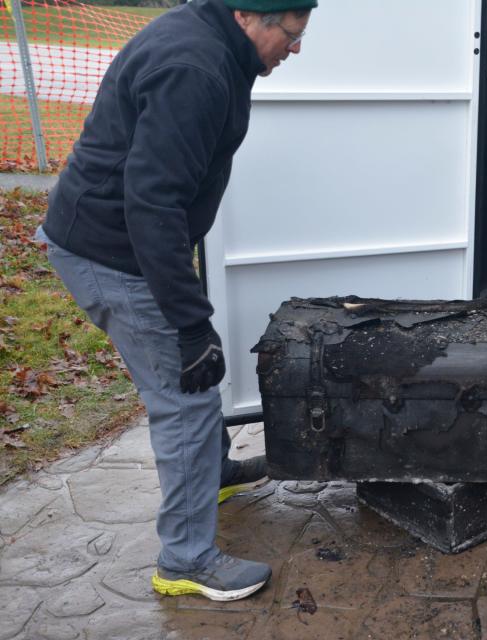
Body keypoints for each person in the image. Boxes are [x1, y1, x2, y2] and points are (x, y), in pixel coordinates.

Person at [38, 0, 313, 602]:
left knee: (193, 375)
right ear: (249, 16)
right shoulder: (196, 68)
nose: (295, 49)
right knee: (185, 394)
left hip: (119, 239)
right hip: (114, 252)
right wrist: (191, 326)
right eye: (290, 35)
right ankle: (186, 559)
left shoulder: (213, 40)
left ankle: (211, 475)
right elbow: (152, 204)